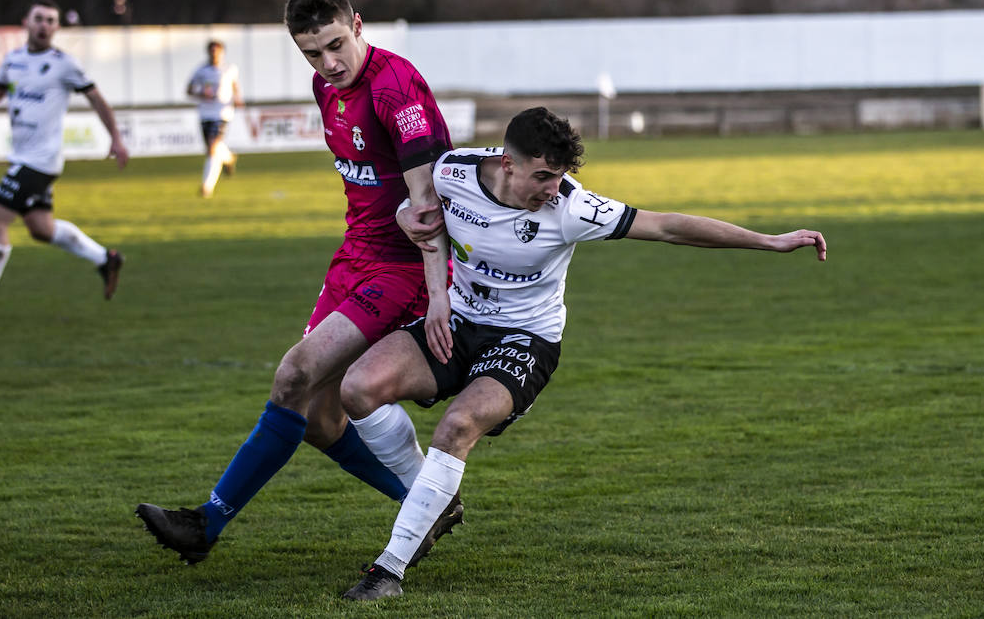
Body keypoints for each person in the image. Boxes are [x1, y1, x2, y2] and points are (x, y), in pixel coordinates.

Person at [335, 107, 828, 600]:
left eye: (561, 177)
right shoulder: (452, 171)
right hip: (459, 323)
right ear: (507, 163)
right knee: (357, 388)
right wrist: (426, 266)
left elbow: (667, 227)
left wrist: (770, 241)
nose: (553, 189)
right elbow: (412, 211)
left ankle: (390, 570)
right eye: (544, 176)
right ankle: (435, 501)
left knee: (458, 426)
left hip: (525, 340)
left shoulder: (572, 208)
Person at [137, 0, 463, 567]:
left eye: (337, 45)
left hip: (401, 267)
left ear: (358, 24)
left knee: (294, 374)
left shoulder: (397, 88)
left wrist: (438, 295)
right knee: (315, 417)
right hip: (354, 256)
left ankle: (205, 523)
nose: (328, 63)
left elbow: (427, 205)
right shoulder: (324, 86)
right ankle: (426, 503)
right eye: (313, 53)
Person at [0, 0, 129, 318]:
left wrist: (115, 137)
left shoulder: (64, 64)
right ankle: (105, 258)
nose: (45, 26)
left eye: (51, 21)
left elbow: (96, 98)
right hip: (24, 156)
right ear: (25, 23)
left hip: (39, 161)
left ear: (57, 28)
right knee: (41, 229)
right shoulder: (13, 60)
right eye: (39, 19)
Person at [186, 39, 244, 197]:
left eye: (217, 51)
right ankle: (229, 158)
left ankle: (206, 187)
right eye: (212, 51)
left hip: (222, 113)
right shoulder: (201, 71)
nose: (214, 54)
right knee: (212, 151)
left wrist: (238, 99)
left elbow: (234, 86)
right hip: (205, 113)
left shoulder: (229, 69)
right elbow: (189, 90)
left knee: (212, 148)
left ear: (222, 52)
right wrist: (201, 93)